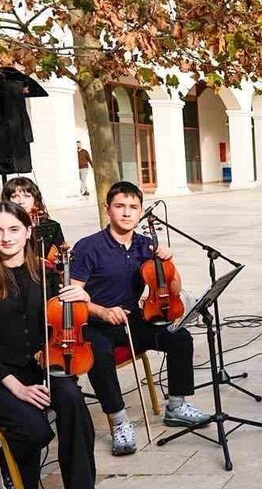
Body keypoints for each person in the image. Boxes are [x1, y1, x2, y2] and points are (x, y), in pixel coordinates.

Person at [0, 202, 102, 489]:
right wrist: (17, 388)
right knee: (36, 432)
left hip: (43, 366)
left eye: (13, 229)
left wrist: (82, 301)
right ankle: (9, 459)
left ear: (27, 232)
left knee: (72, 400)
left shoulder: (49, 276)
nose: (6, 237)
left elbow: (64, 324)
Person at [70, 181, 210, 455]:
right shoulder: (88, 247)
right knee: (99, 354)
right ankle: (119, 422)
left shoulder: (146, 246)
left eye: (133, 207)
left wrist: (169, 262)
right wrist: (102, 311)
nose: (126, 213)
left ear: (141, 211)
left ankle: (177, 405)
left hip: (132, 318)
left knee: (179, 337)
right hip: (94, 321)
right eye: (120, 206)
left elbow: (174, 289)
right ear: (107, 209)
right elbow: (74, 296)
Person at [2, 177, 67, 252]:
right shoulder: (1, 225)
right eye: (14, 197)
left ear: (35, 199)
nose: (21, 201)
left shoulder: (52, 226)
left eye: (26, 196)